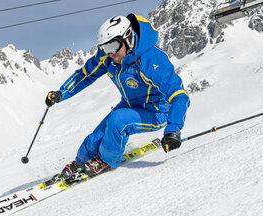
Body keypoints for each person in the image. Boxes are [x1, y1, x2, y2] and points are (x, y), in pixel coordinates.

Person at [45, 14, 190, 180]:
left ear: (128, 38)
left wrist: (173, 130)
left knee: (118, 121)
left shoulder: (151, 60)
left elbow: (179, 95)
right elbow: (85, 75)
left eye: (113, 46)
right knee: (94, 139)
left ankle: (107, 160)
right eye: (105, 48)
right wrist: (61, 93)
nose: (110, 53)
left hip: (157, 111)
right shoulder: (109, 56)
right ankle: (80, 163)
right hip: (130, 105)